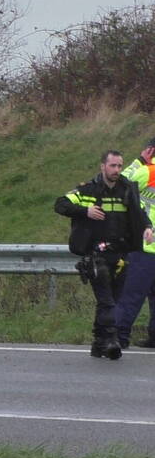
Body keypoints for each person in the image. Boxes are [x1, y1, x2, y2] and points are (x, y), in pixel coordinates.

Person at [55, 150, 153, 360]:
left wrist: (146, 228)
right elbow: (61, 204)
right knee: (107, 301)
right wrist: (85, 211)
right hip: (97, 256)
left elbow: (139, 212)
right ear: (103, 166)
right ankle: (111, 341)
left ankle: (98, 344)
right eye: (113, 166)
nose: (117, 170)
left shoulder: (126, 190)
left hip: (121, 255)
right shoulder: (88, 190)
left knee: (112, 302)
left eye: (119, 166)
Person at [113, 139, 155, 348]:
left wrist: (139, 161)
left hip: (146, 246)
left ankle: (118, 337)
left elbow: (118, 183)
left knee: (132, 294)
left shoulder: (150, 171)